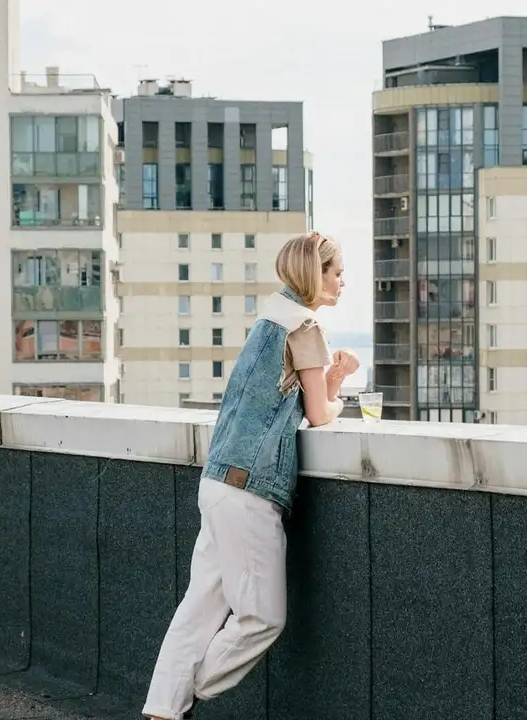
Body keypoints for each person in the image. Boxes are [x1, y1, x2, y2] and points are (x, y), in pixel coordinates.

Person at [142, 231, 360, 720]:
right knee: (262, 617)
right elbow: (321, 415)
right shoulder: (304, 326)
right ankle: (190, 691)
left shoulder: (269, 319)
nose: (343, 282)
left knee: (198, 611)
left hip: (219, 481)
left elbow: (291, 403)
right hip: (250, 490)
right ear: (314, 273)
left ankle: (162, 710)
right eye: (336, 273)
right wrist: (341, 387)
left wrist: (331, 380)